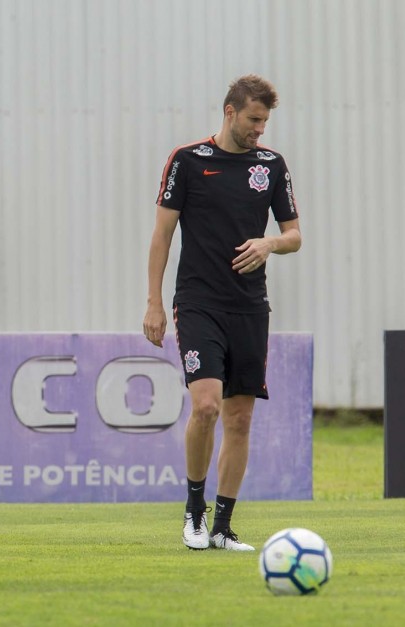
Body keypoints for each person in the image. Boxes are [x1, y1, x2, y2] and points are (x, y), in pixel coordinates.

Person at [143, 75, 301, 551]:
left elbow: (294, 235)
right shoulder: (188, 160)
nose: (260, 129)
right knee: (207, 405)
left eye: (265, 121)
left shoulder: (271, 165)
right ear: (230, 112)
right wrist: (154, 302)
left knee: (239, 418)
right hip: (198, 302)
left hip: (251, 305)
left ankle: (223, 528)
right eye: (254, 119)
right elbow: (162, 235)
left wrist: (269, 242)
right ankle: (194, 511)